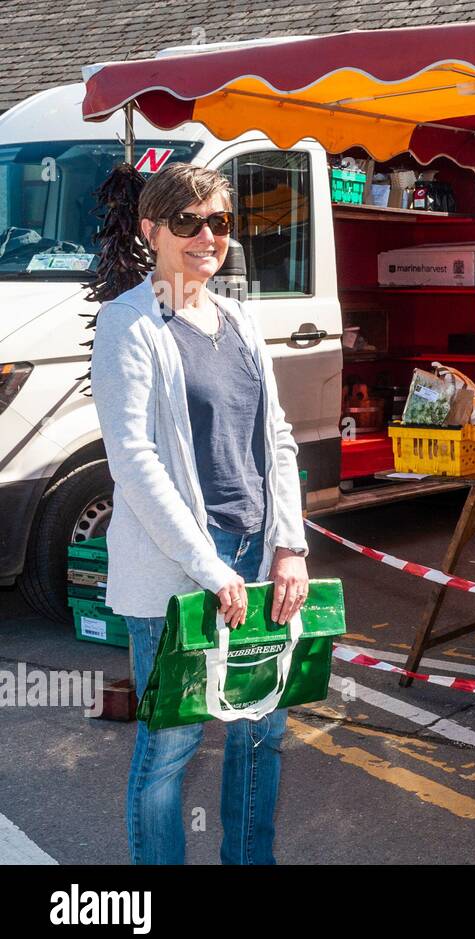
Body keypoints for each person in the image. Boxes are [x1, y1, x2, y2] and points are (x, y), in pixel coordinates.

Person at [91, 163, 311, 865]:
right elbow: (134, 458)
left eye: (218, 222)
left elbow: (275, 436)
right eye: (187, 222)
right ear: (151, 229)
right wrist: (207, 565)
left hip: (255, 552)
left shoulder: (239, 318)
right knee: (171, 744)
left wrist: (289, 546)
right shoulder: (129, 324)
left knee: (260, 730)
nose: (206, 236)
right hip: (179, 566)